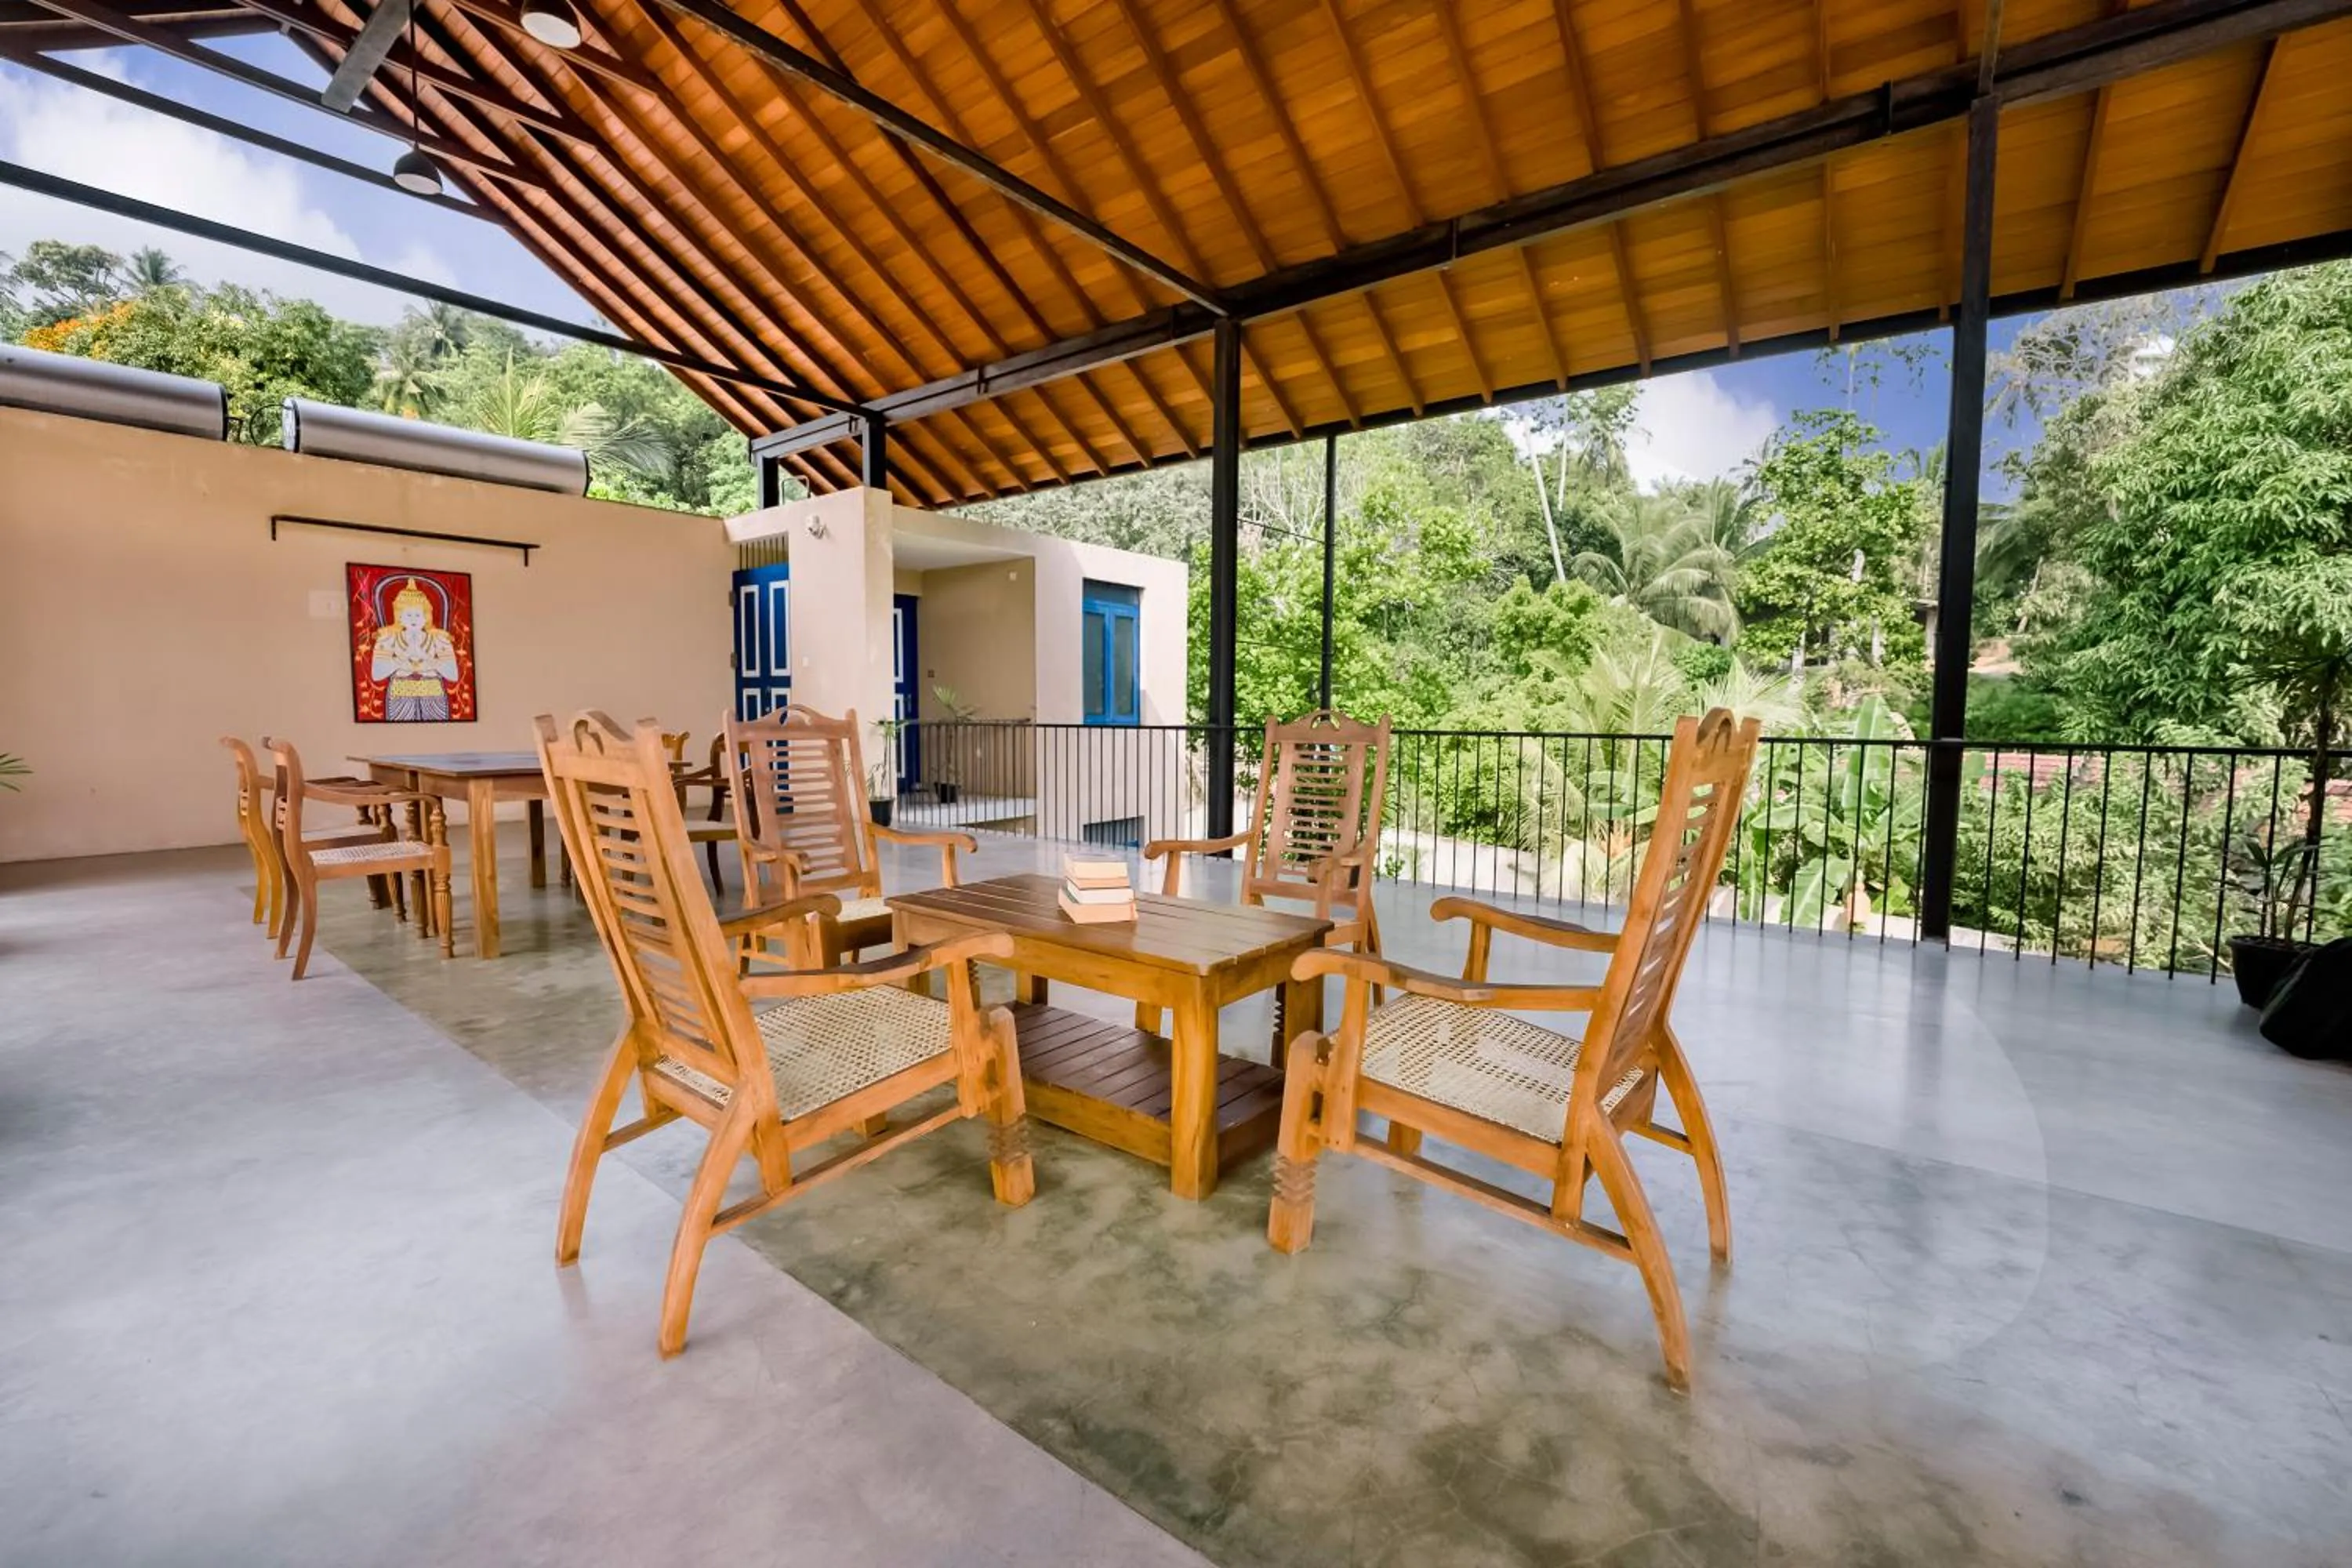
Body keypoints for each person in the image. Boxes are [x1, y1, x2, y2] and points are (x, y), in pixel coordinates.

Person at [371, 578, 461, 721]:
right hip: (400, 693)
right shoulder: (387, 638)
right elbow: (377, 674)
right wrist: (402, 657)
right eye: (408, 615)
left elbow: (453, 675)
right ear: (400, 617)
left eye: (418, 615)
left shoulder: (440, 640)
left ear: (426, 617)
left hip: (433, 693)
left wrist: (428, 658)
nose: (413, 619)